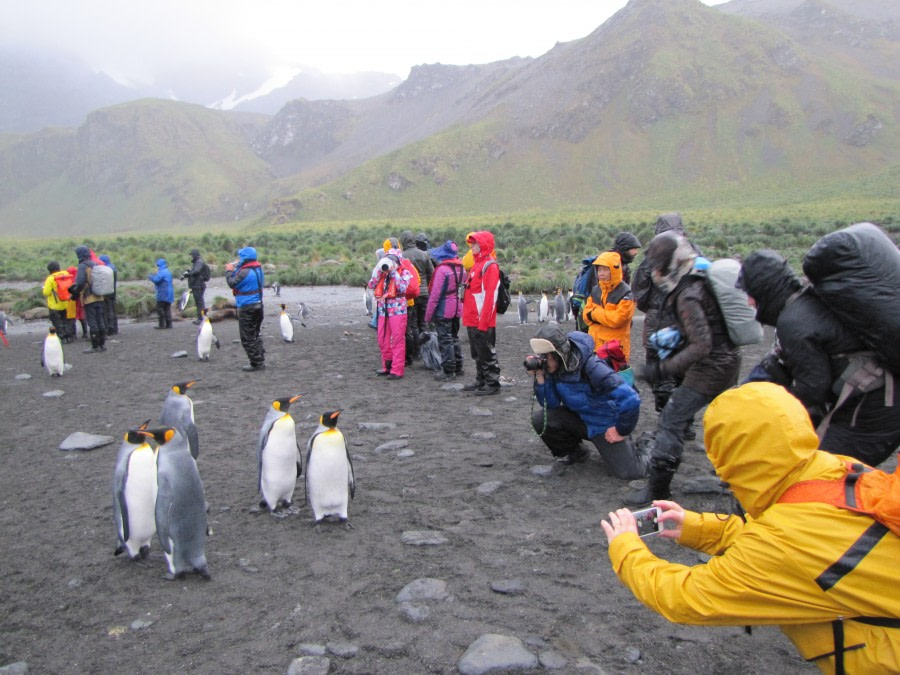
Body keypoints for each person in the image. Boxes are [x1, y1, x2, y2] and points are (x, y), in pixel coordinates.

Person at [602, 382, 900, 674]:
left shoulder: (784, 544)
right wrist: (699, 528)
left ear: (733, 460)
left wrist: (626, 549)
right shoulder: (832, 468)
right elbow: (797, 542)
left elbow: (687, 598)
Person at [738, 249, 900, 467]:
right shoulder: (808, 300)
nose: (749, 302)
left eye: (751, 293)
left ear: (764, 289)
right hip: (878, 397)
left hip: (876, 408)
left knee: (824, 473)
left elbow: (814, 387)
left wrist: (775, 414)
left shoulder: (793, 322)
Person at [626, 232, 740, 506]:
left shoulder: (687, 292)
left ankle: (658, 490)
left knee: (671, 420)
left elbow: (702, 344)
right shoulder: (696, 280)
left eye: (658, 265)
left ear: (669, 264)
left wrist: (661, 369)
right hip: (728, 360)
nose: (654, 272)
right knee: (729, 419)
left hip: (712, 366)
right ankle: (737, 476)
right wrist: (675, 333)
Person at [529, 324, 647, 476]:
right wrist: (540, 377)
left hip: (604, 423)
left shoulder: (592, 366)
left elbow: (630, 399)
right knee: (541, 419)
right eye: (542, 356)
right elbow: (551, 404)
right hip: (582, 419)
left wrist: (620, 429)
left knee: (631, 472)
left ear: (560, 353)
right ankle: (576, 452)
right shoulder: (556, 367)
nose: (544, 360)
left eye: (547, 356)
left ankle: (650, 441)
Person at [632, 213, 702, 413]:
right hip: (690, 319)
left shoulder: (654, 252)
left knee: (662, 375)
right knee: (687, 372)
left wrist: (655, 308)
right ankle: (685, 422)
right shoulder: (695, 252)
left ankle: (666, 418)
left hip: (658, 321)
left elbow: (640, 292)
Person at [462, 231, 501, 396]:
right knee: (477, 352)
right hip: (472, 318)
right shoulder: (477, 264)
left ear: (484, 245)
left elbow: (490, 297)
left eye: (475, 243)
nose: (472, 246)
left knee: (486, 352)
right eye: (472, 243)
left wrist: (484, 322)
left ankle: (492, 383)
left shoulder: (489, 266)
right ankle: (481, 379)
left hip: (481, 319)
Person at [582, 251, 636, 362]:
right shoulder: (596, 290)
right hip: (595, 344)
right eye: (599, 270)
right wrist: (604, 317)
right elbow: (586, 316)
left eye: (605, 270)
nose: (601, 273)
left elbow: (618, 319)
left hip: (615, 347)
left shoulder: (625, 292)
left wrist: (595, 313)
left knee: (616, 378)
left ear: (614, 270)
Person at [368, 246, 412, 379]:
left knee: (398, 340)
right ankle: (387, 365)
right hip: (383, 311)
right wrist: (378, 270)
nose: (390, 263)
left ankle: (397, 370)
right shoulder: (382, 274)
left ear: (399, 261)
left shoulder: (404, 273)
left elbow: (402, 287)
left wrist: (393, 272)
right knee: (382, 339)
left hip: (398, 311)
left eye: (393, 260)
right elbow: (371, 285)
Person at [424, 240, 465, 381]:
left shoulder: (442, 270)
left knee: (445, 340)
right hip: (457, 309)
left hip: (444, 310)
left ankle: (448, 371)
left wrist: (428, 316)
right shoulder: (461, 268)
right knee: (454, 337)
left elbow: (435, 295)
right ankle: (458, 366)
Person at [226, 246, 265, 372]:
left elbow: (232, 283)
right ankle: (260, 358)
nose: (239, 259)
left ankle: (257, 363)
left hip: (247, 307)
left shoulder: (244, 272)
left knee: (247, 337)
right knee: (255, 333)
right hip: (259, 306)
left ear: (245, 257)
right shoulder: (258, 268)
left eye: (241, 257)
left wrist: (229, 271)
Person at [400, 230, 434, 364]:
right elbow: (431, 273)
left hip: (411, 295)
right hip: (425, 293)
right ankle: (427, 349)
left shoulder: (402, 256)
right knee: (423, 323)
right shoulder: (424, 254)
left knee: (412, 324)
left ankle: (416, 352)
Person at [69, 246, 108, 353]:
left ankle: (95, 345)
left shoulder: (82, 266)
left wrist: (74, 294)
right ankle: (102, 344)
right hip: (99, 296)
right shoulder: (94, 263)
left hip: (89, 298)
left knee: (92, 322)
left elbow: (80, 282)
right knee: (100, 320)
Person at [42, 261, 73, 343]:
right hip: (65, 303)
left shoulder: (50, 278)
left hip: (54, 305)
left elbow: (46, 292)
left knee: (57, 322)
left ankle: (62, 338)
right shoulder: (65, 274)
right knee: (65, 320)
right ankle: (68, 336)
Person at [182, 248, 209, 324]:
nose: (191, 256)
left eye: (192, 255)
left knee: (199, 302)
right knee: (199, 302)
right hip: (197, 285)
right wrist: (188, 274)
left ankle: (201, 319)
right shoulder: (197, 262)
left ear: (196, 255)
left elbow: (196, 271)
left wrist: (188, 274)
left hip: (198, 285)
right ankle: (201, 318)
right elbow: (195, 272)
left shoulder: (199, 262)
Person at [148, 258, 174, 330]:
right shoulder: (168, 271)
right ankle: (169, 324)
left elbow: (156, 280)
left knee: (160, 309)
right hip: (169, 293)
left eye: (158, 265)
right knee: (167, 309)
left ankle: (161, 324)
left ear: (160, 265)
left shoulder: (162, 272)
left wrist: (150, 276)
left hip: (163, 293)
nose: (157, 267)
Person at [98, 254, 118, 335]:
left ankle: (110, 328)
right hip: (113, 292)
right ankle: (115, 328)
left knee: (107, 311)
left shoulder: (106, 269)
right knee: (113, 310)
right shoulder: (113, 267)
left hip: (107, 293)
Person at [66, 265, 85, 340]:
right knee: (82, 317)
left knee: (72, 318)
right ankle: (85, 333)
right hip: (80, 301)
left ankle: (73, 334)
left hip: (72, 301)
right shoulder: (79, 278)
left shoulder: (68, 280)